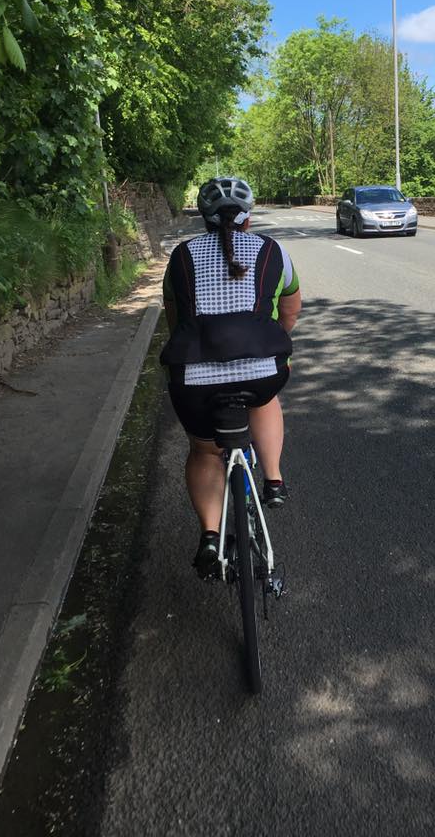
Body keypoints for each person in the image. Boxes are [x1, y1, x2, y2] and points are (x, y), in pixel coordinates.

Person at [160, 177, 301, 578]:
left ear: (203, 218)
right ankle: (273, 480)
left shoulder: (181, 256)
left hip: (193, 377)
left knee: (204, 451)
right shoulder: (273, 251)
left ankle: (210, 536)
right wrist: (271, 342)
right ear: (248, 217)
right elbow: (290, 312)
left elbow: (175, 321)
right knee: (266, 397)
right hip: (261, 371)